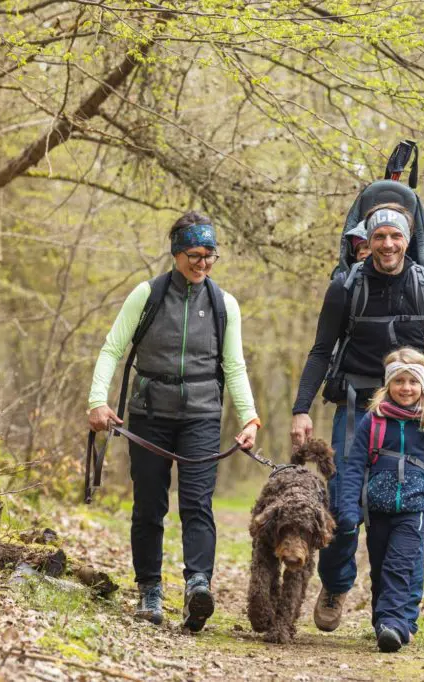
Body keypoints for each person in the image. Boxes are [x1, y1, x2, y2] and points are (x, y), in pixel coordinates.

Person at [291, 202, 424, 634]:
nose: (388, 244)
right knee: (344, 499)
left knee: (411, 502)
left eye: (396, 236)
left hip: (413, 409)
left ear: (408, 241)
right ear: (367, 240)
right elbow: (321, 350)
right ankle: (336, 584)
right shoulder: (345, 287)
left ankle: (397, 613)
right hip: (356, 407)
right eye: (379, 237)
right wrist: (301, 409)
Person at [88, 210, 261, 632]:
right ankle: (149, 589)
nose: (202, 263)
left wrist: (250, 417)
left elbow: (234, 366)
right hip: (148, 414)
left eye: (210, 255)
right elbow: (112, 349)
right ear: (177, 253)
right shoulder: (146, 295)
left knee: (198, 504)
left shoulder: (225, 305)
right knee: (149, 505)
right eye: (194, 254)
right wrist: (98, 401)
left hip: (202, 416)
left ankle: (198, 585)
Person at [335, 348, 424, 652]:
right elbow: (354, 467)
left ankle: (394, 622)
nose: (406, 388)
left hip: (415, 507)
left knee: (399, 566)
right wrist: (348, 508)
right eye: (399, 381)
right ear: (388, 385)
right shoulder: (373, 422)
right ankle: (388, 623)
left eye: (413, 382)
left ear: (423, 385)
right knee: (380, 568)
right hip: (378, 508)